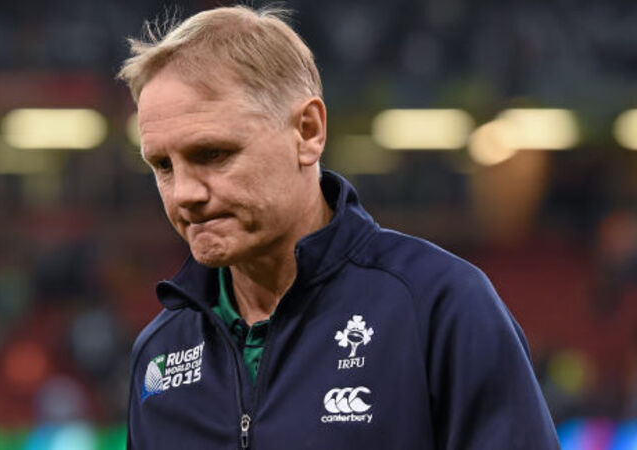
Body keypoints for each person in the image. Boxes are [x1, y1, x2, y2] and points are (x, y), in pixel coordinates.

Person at [117, 5, 560, 449]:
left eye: (213, 154)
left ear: (308, 132)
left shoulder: (440, 305)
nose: (184, 194)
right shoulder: (159, 354)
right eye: (163, 166)